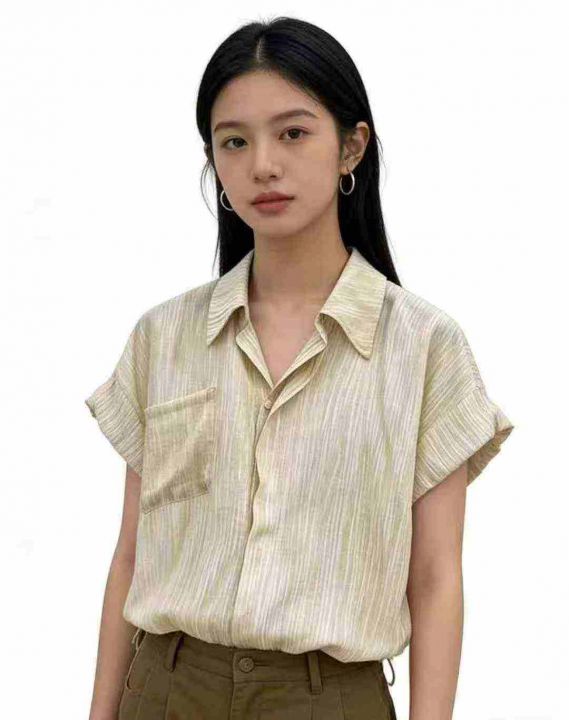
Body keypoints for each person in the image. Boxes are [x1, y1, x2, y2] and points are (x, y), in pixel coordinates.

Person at [85, 16, 515, 720]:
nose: (262, 165)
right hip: (163, 691)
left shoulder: (424, 348)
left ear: (351, 147)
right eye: (234, 141)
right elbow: (131, 556)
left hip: (329, 699)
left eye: (292, 133)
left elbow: (436, 578)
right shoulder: (163, 338)